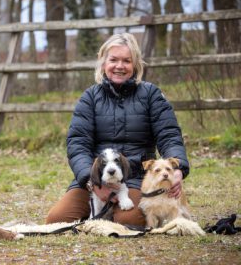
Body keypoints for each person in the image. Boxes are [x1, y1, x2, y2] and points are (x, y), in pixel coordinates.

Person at [45, 33, 189, 226]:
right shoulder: (90, 97)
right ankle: (102, 209)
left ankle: (115, 212)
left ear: (136, 65)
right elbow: (77, 143)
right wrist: (92, 183)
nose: (119, 66)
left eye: (126, 61)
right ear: (103, 63)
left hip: (136, 178)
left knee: (129, 221)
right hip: (96, 179)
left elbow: (169, 135)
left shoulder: (151, 94)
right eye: (113, 60)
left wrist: (178, 169)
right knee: (56, 220)